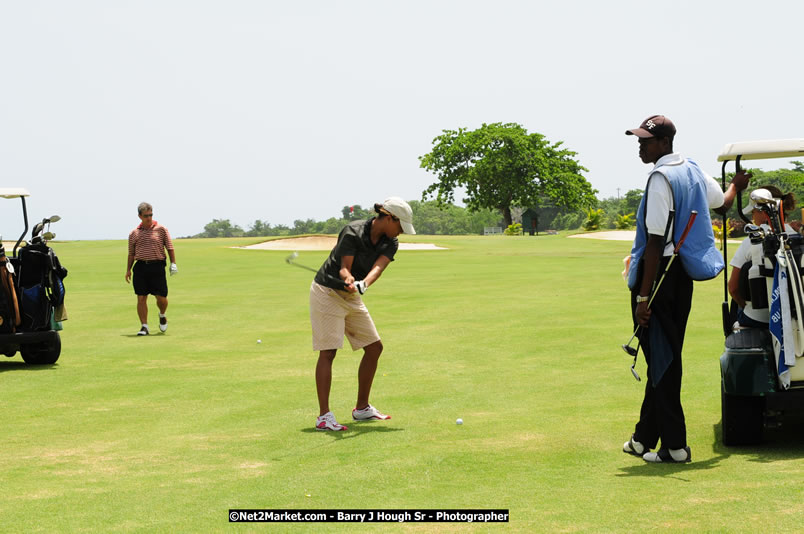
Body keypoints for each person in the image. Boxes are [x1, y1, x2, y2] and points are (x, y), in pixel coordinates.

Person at [621, 115, 748, 463]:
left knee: (663, 362)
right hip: (681, 279)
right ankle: (642, 438)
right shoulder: (692, 168)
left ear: (663, 143)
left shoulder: (661, 177)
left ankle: (676, 447)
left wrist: (643, 298)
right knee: (663, 357)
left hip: (658, 276)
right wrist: (736, 185)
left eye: (646, 140)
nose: (640, 145)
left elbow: (654, 240)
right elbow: (722, 203)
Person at [310, 197, 415, 431]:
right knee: (328, 352)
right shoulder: (353, 231)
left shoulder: (391, 242)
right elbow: (344, 268)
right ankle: (324, 417)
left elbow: (378, 267)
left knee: (374, 347)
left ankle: (361, 409)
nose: (400, 232)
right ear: (389, 217)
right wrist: (349, 279)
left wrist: (363, 284)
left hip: (351, 297)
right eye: (399, 226)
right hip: (327, 292)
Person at [728, 185, 797, 328]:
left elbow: (733, 288)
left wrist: (744, 305)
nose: (752, 217)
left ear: (763, 212)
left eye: (753, 212)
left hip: (758, 318)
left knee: (736, 305)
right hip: (795, 316)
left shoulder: (751, 240)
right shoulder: (798, 237)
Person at [125, 202, 177, 336]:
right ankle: (144, 326)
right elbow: (131, 253)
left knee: (161, 298)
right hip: (141, 267)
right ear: (139, 216)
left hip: (157, 266)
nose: (149, 217)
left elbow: (169, 247)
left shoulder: (161, 229)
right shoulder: (134, 233)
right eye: (146, 215)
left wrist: (173, 263)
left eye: (151, 215)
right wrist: (128, 270)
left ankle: (162, 314)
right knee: (141, 297)